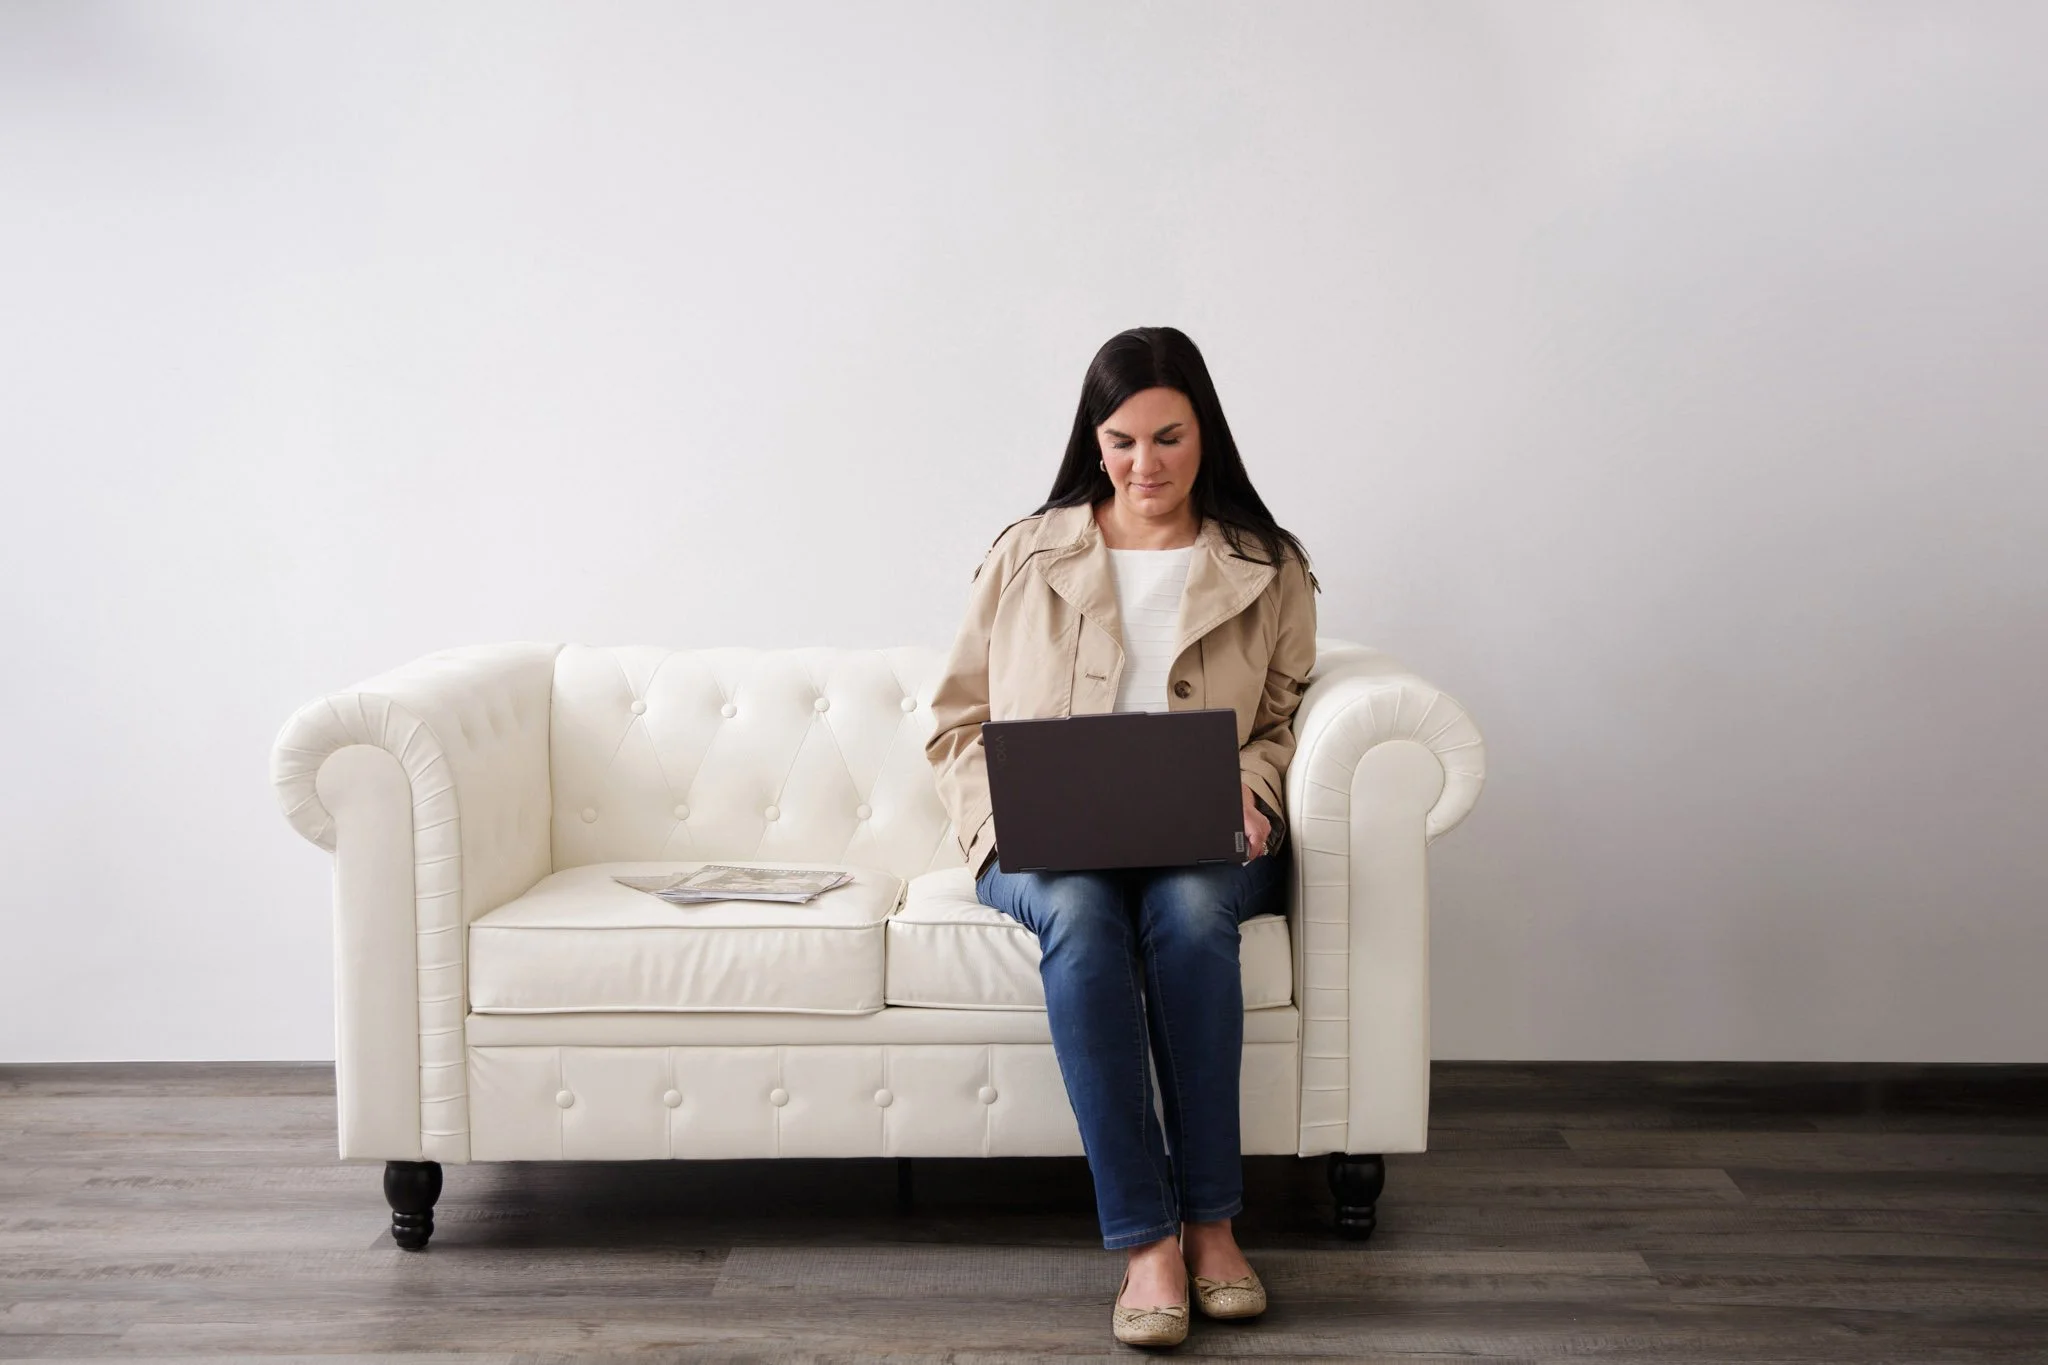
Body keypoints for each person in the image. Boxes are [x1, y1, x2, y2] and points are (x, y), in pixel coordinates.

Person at [924, 326, 1319, 1349]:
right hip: (1048, 840)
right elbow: (955, 723)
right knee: (1080, 918)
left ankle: (1214, 1226)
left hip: (1204, 834)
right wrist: (1001, 819)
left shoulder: (1267, 567)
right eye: (1121, 441)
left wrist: (1252, 793)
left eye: (1168, 437)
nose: (1145, 465)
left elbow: (1280, 722)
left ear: (1205, 434)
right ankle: (1147, 1244)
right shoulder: (1025, 553)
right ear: (1093, 443)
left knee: (1190, 916)